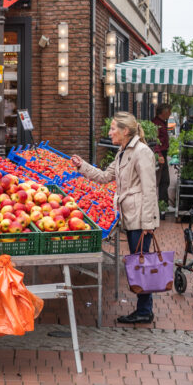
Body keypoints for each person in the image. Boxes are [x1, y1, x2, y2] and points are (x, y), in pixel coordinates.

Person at [72, 112, 160, 324]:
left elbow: (150, 189)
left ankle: (145, 310)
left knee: (141, 262)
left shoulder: (142, 152)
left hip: (140, 217)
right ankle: (144, 308)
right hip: (130, 214)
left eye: (113, 129)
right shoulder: (122, 152)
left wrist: (149, 223)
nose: (110, 132)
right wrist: (81, 165)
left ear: (125, 131)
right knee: (138, 261)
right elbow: (104, 177)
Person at [151, 104, 172, 217]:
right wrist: (159, 155)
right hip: (159, 155)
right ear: (163, 112)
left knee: (165, 180)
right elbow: (155, 141)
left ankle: (163, 206)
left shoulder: (162, 123)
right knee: (159, 181)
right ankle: (159, 208)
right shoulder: (156, 124)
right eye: (169, 111)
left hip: (162, 154)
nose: (170, 114)